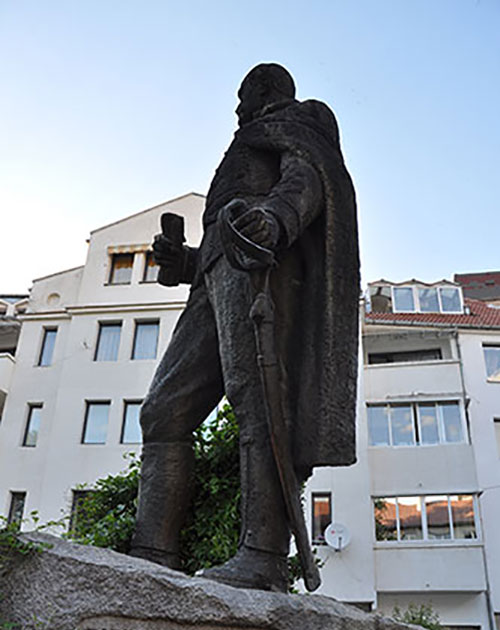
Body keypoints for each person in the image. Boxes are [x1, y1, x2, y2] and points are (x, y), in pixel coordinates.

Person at [130, 63, 360, 592]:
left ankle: (263, 557)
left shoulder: (301, 121)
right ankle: (151, 555)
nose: (237, 108)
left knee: (260, 403)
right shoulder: (248, 140)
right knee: (163, 411)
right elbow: (222, 233)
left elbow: (308, 180)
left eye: (243, 96)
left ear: (264, 90)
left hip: (260, 268)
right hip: (213, 277)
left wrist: (276, 217)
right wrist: (184, 261)